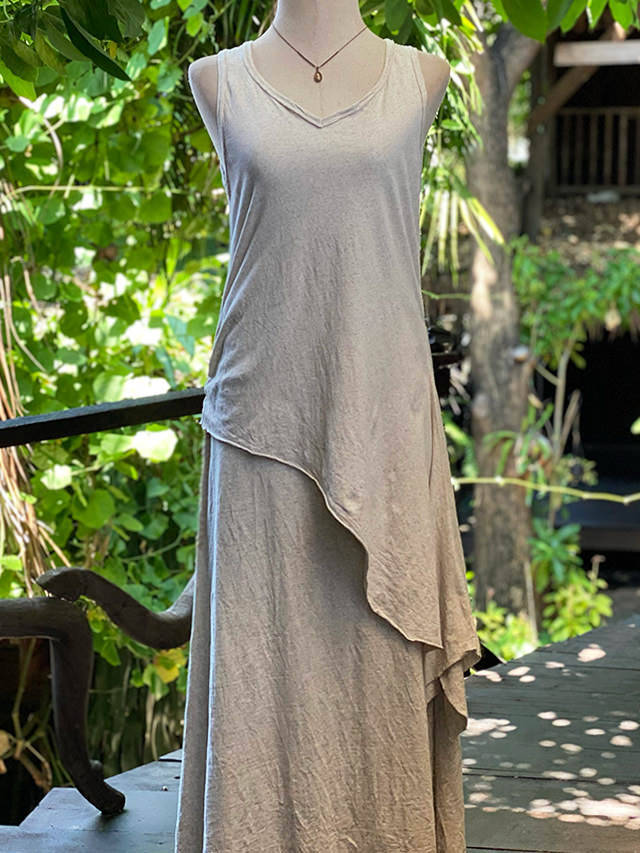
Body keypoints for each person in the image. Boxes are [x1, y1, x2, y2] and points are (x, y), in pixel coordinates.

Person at [176, 2, 482, 849]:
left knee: (379, 662)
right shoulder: (219, 80)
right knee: (260, 675)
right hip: (259, 431)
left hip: (384, 425)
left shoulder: (420, 77)